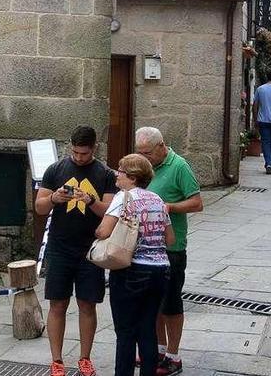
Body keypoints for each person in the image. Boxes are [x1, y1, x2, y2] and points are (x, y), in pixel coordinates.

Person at [35, 126, 118, 376]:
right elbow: (39, 207)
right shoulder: (55, 169)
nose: (79, 157)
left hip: (90, 250)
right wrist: (54, 200)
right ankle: (57, 361)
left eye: (84, 153)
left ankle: (85, 359)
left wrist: (90, 200)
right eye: (75, 152)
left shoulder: (105, 173)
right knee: (57, 304)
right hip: (59, 247)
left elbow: (108, 212)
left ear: (94, 148)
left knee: (87, 305)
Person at [95, 154, 175, 376]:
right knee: (148, 330)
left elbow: (104, 231)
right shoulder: (158, 200)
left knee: (126, 332)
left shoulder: (124, 197)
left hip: (132, 270)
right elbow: (170, 239)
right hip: (161, 271)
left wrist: (98, 234)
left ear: (131, 177)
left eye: (120, 171)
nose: (116, 175)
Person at [135, 127, 203, 376]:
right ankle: (158, 350)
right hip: (146, 246)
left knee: (171, 303)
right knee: (153, 303)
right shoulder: (145, 166)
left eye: (148, 153)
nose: (144, 157)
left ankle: (174, 356)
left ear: (162, 146)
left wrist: (167, 207)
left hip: (172, 247)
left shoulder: (179, 166)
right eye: (140, 153)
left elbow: (197, 203)